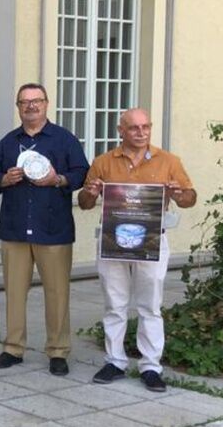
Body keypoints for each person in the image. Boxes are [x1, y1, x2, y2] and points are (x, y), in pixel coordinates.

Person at [78, 108, 196, 392]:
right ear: (121, 130)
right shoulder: (103, 162)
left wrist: (179, 193)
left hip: (153, 240)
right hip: (112, 240)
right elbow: (83, 201)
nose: (141, 132)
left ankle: (151, 366)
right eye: (134, 128)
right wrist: (91, 192)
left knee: (150, 306)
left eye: (146, 127)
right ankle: (115, 361)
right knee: (115, 304)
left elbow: (190, 198)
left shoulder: (169, 161)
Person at [0, 83, 89, 375]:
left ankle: (57, 351)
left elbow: (82, 173)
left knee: (57, 293)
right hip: (15, 228)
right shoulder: (7, 142)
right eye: (24, 102)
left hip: (53, 228)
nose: (31, 106)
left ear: (46, 103)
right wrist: (3, 179)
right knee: (14, 293)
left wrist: (58, 179)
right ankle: (13, 348)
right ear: (18, 106)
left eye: (36, 101)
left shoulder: (64, 139)